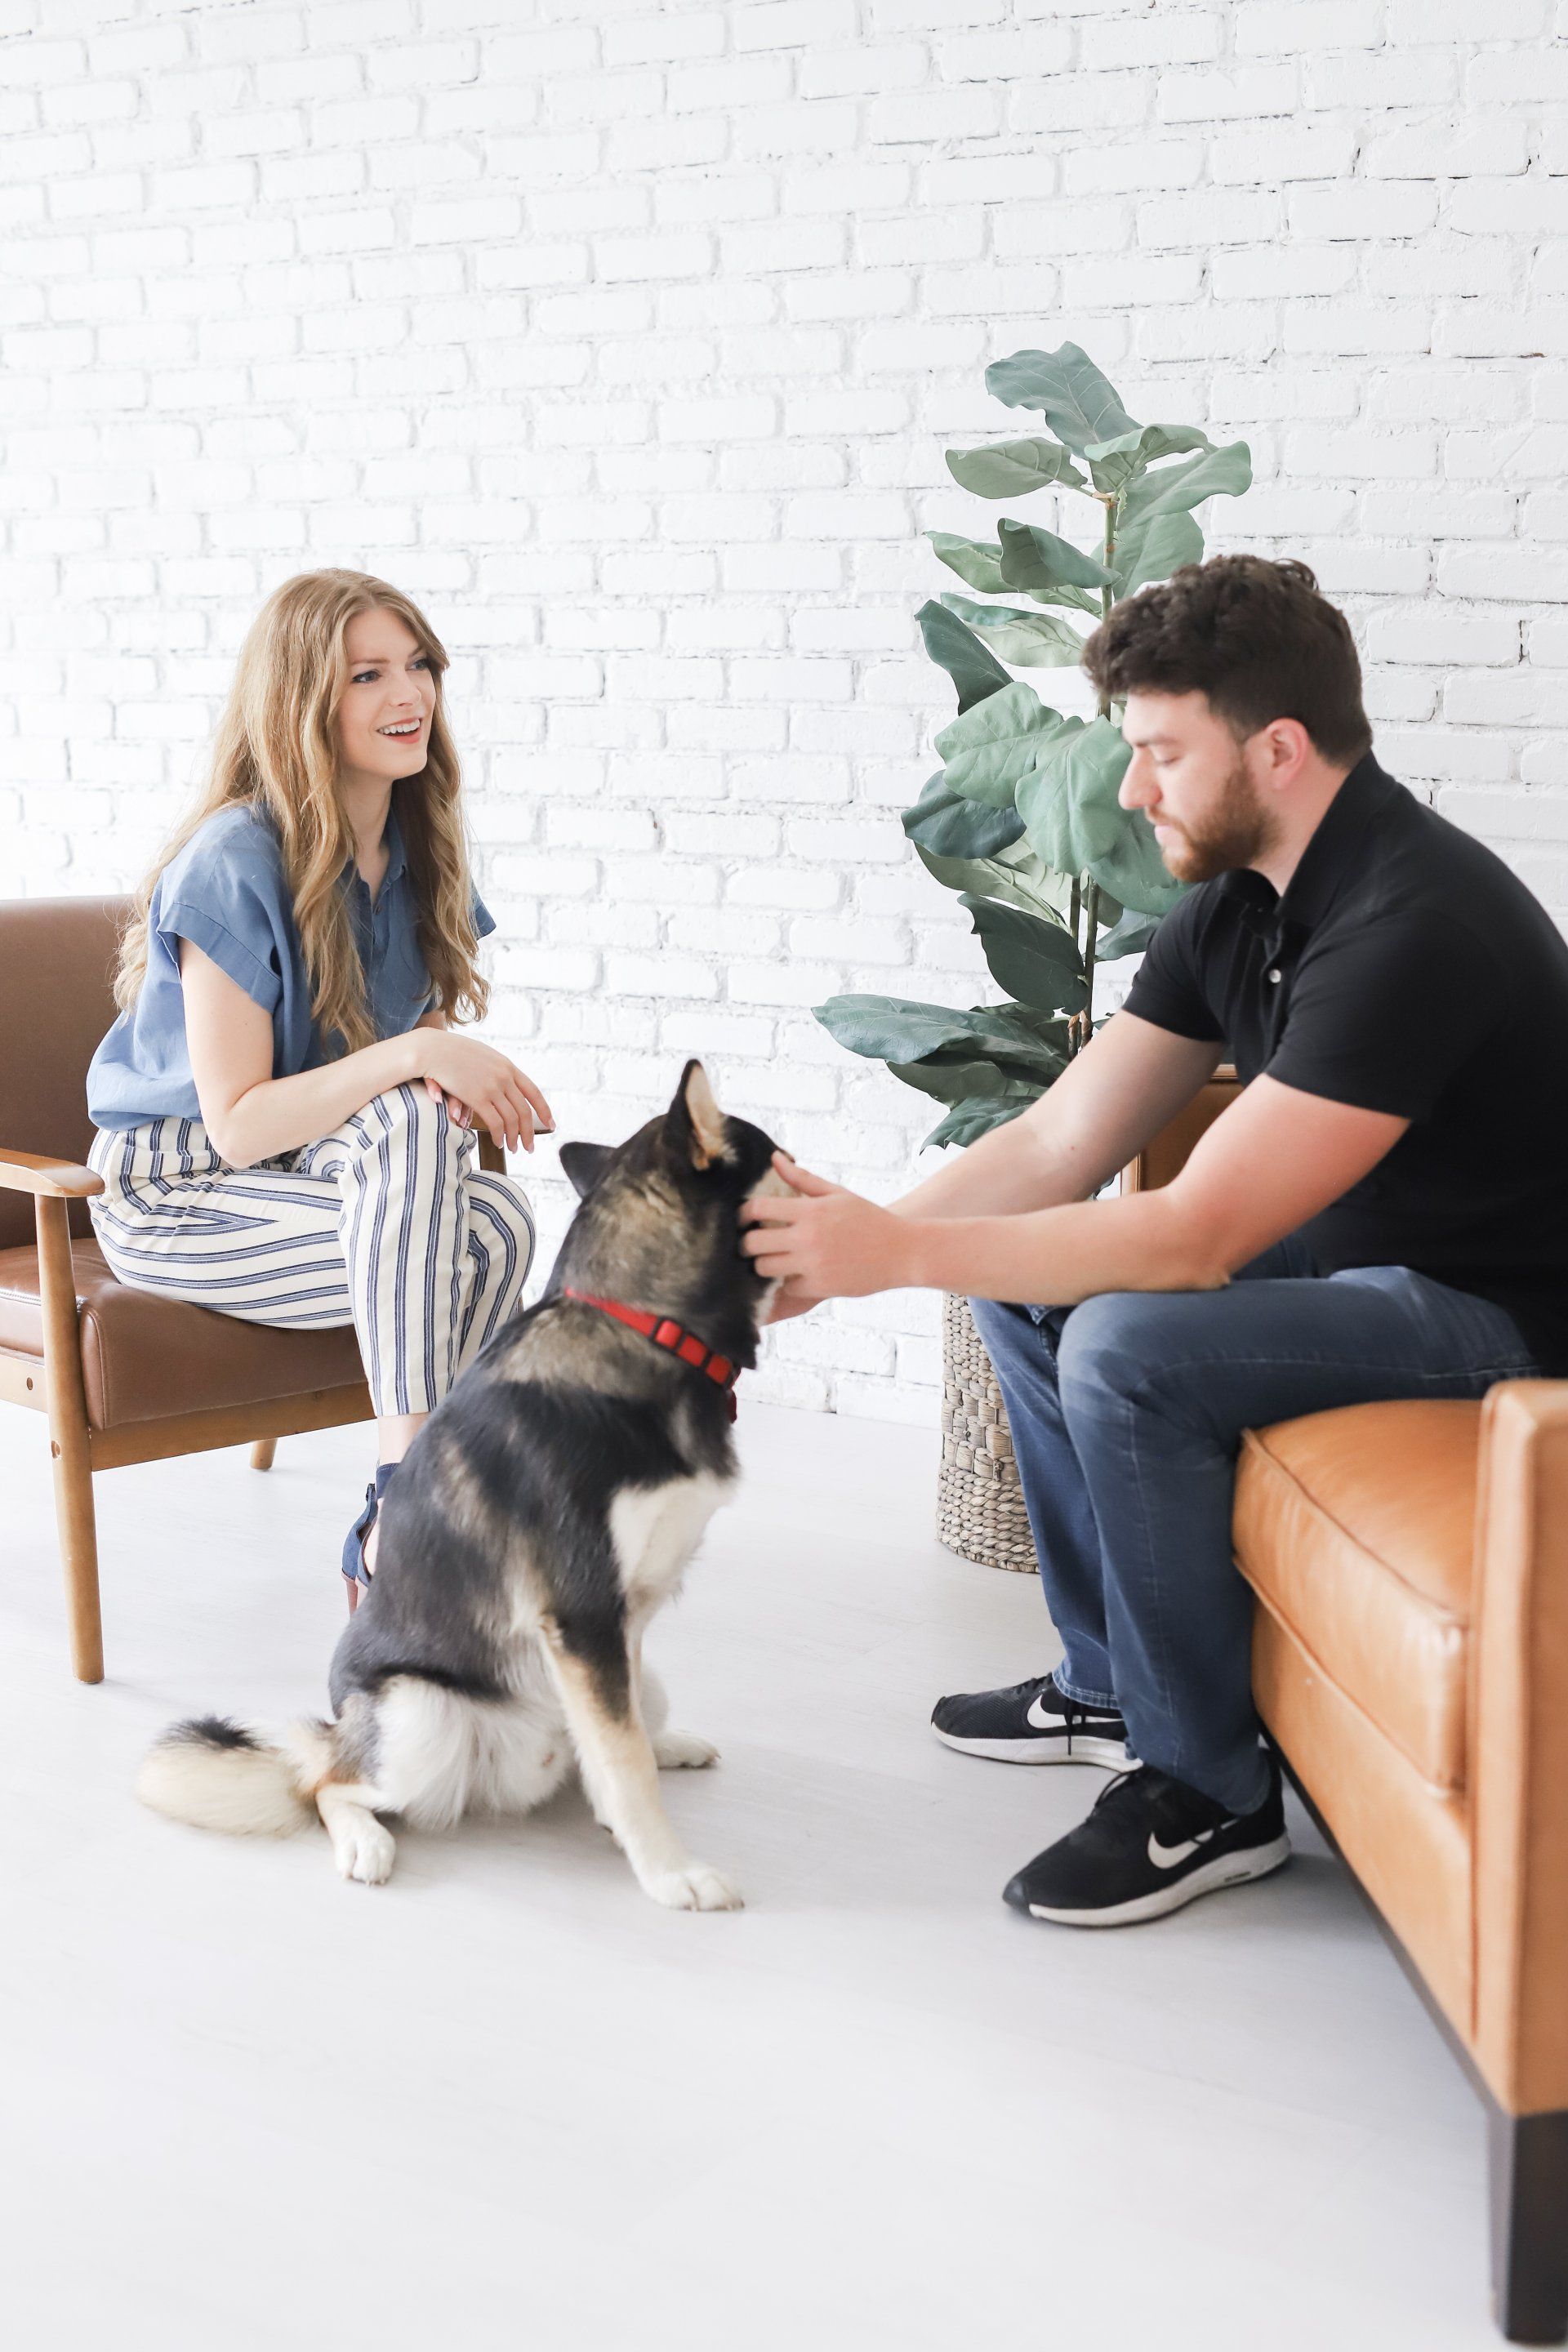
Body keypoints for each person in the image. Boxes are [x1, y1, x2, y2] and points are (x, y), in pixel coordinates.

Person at [741, 554, 1568, 1928]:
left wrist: (889, 1255)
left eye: (1162, 752)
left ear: (1281, 750)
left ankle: (1211, 1795)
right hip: (1375, 1258)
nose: (1134, 792)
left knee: (1124, 1334)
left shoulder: (1414, 921)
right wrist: (847, 1246)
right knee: (1032, 1291)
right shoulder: (1240, 897)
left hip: (1507, 1316)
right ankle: (1111, 1686)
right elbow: (1057, 1147)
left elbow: (1187, 1239)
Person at [85, 568, 551, 1601]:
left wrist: (425, 1058)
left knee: (495, 1213)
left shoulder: (418, 846)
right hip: (183, 1194)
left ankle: (407, 1512)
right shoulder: (231, 862)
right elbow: (240, 1125)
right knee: (480, 1227)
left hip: (316, 1172)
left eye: (419, 665)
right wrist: (423, 1054)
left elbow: (396, 1073)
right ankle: (421, 1503)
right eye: (368, 675)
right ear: (303, 699)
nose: (410, 695)